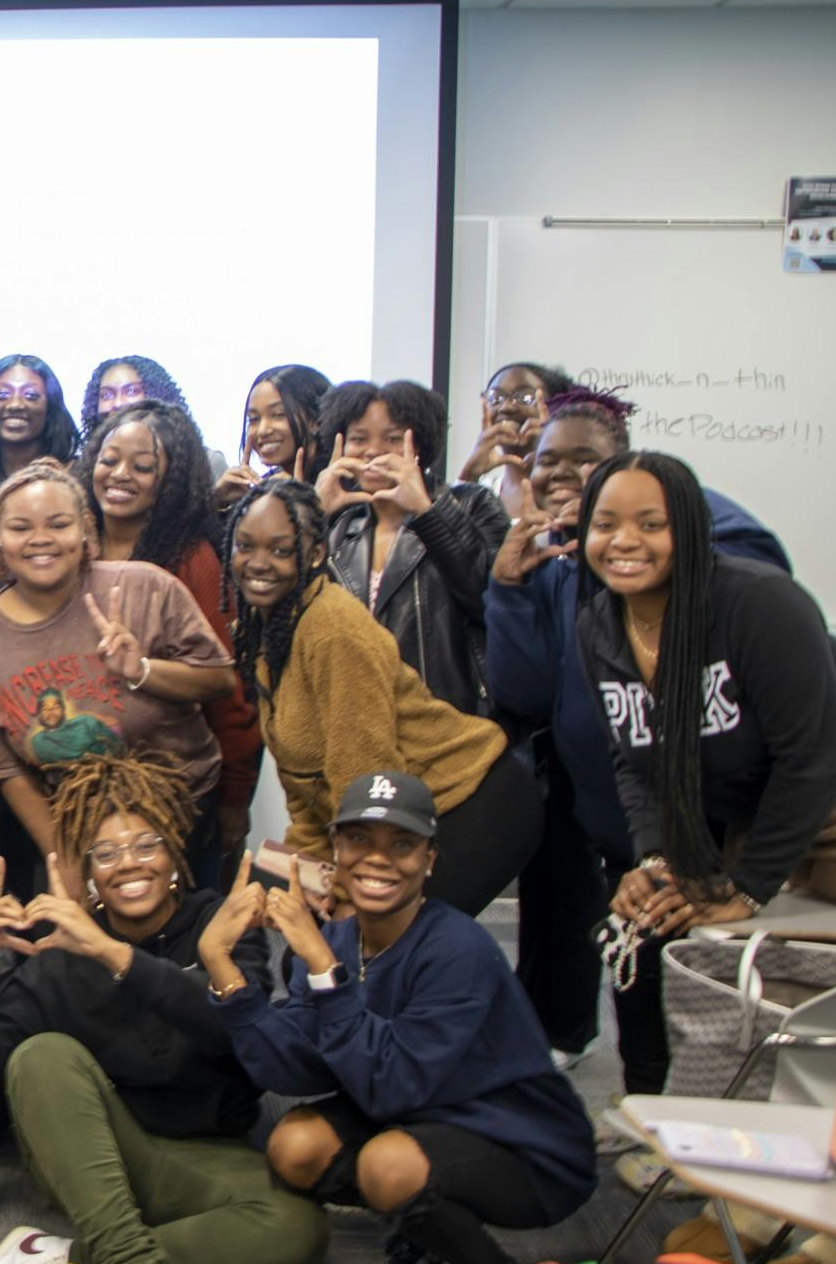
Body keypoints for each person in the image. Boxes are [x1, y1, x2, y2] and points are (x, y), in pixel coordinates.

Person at [0, 753, 326, 1264]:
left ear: (173, 853)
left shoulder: (217, 927)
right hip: (91, 1161)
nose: (129, 865)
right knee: (42, 1056)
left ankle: (64, 1258)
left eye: (146, 845)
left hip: (205, 1156)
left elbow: (232, 1035)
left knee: (299, 1235)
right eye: (107, 853)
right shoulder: (59, 951)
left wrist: (113, 955)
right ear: (89, 873)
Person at [204, 771, 596, 1264]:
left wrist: (320, 967)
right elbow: (287, 1068)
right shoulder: (338, 941)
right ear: (335, 852)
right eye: (359, 840)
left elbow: (393, 1084)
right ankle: (432, 1238)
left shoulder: (458, 947)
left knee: (385, 1165)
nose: (378, 859)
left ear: (430, 859)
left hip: (526, 1146)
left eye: (402, 844)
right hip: (419, 1117)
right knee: (294, 1145)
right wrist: (223, 968)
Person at [485, 386, 789, 1061]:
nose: (560, 473)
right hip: (624, 818)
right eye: (546, 459)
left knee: (706, 988)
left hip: (713, 816)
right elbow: (526, 687)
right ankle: (646, 1120)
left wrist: (626, 555)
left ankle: (707, 1126)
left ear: (628, 462)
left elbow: (746, 602)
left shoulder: (702, 525)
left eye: (583, 458)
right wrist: (507, 589)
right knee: (634, 975)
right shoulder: (561, 551)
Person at [573, 451, 836, 1093]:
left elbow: (815, 762)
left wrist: (747, 886)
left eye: (651, 524)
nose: (624, 541)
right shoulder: (599, 624)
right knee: (654, 923)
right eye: (606, 523)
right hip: (758, 816)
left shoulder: (761, 603)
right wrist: (653, 857)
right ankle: (656, 1112)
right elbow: (634, 756)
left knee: (833, 970)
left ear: (692, 529)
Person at [223, 477, 539, 914]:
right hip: (391, 814)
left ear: (316, 555)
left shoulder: (333, 629)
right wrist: (302, 867)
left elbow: (367, 774)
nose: (258, 563)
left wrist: (348, 893)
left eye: (280, 550)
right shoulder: (265, 633)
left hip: (471, 802)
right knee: (285, 912)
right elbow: (302, 781)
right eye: (245, 546)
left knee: (382, 951)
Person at [0, 459, 236, 895]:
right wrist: (64, 856)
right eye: (21, 527)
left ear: (85, 529)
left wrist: (141, 671)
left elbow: (219, 680)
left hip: (184, 818)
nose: (41, 539)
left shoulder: (144, 587)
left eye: (59, 523)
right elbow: (1, 765)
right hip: (81, 835)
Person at [76, 401, 263, 865]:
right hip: (80, 791)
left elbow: (227, 692)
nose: (120, 474)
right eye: (109, 459)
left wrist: (235, 800)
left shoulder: (192, 560)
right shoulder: (68, 546)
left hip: (173, 793)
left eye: (142, 467)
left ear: (170, 480)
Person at [314, 381, 510, 717]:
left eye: (391, 438)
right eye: (359, 439)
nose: (373, 451)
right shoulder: (338, 525)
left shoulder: (469, 504)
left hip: (449, 722)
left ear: (417, 445)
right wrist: (314, 517)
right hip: (355, 718)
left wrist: (427, 511)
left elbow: (489, 601)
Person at [0, 354, 80, 522]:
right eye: (3, 394)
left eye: (31, 395)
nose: (15, 405)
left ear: (50, 408)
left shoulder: (76, 476)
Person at [455, 361, 571, 515]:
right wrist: (469, 475)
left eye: (525, 398)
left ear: (555, 407)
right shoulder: (481, 491)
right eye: (496, 398)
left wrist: (549, 450)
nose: (506, 407)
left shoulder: (570, 488)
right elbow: (446, 535)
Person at [211, 364, 331, 510]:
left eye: (278, 415)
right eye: (254, 419)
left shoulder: (342, 487)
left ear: (315, 420)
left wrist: (315, 511)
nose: (262, 430)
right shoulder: (265, 488)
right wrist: (216, 502)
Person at [76, 354, 188, 433]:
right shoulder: (86, 463)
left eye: (131, 391)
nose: (118, 403)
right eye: (107, 395)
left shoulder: (194, 461)